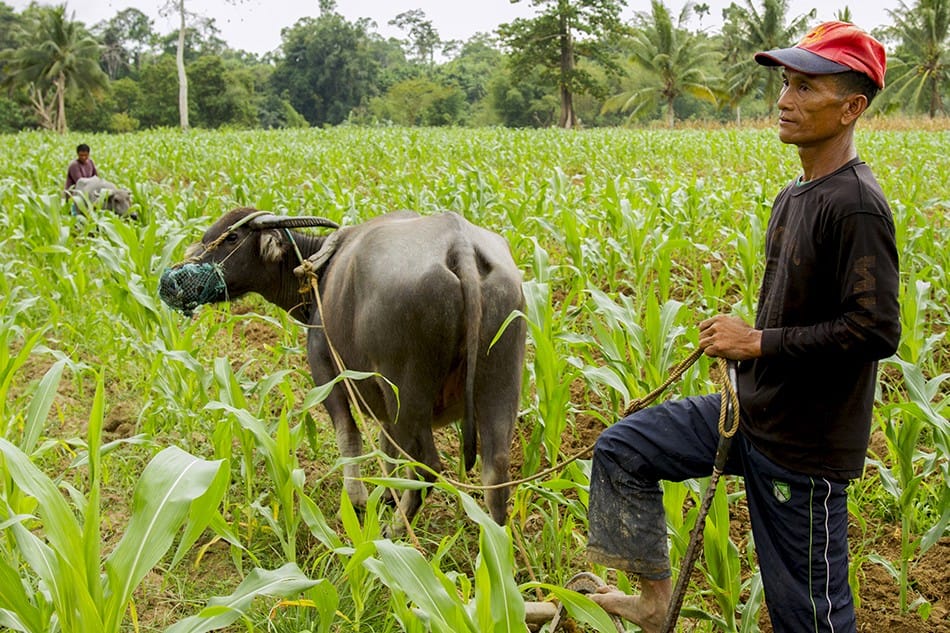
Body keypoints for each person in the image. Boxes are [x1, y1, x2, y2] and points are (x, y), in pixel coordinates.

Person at [585, 21, 901, 633]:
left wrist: (755, 341)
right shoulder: (797, 193)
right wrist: (749, 347)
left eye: (808, 88)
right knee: (623, 449)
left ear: (852, 107)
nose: (785, 100)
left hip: (804, 449)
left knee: (809, 619)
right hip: (755, 411)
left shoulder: (856, 204)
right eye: (787, 83)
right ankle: (653, 606)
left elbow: (875, 330)